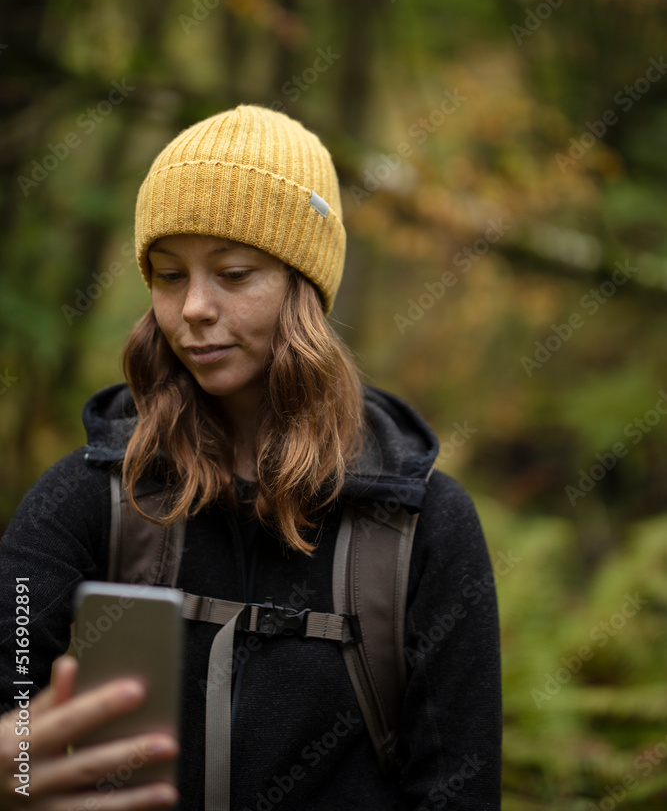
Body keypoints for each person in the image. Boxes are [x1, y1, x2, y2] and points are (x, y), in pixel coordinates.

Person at [0, 104, 502, 810]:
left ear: (305, 290)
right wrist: (14, 779)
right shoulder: (87, 497)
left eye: (233, 274)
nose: (194, 308)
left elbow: (457, 791)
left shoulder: (424, 526)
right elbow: (9, 701)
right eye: (169, 276)